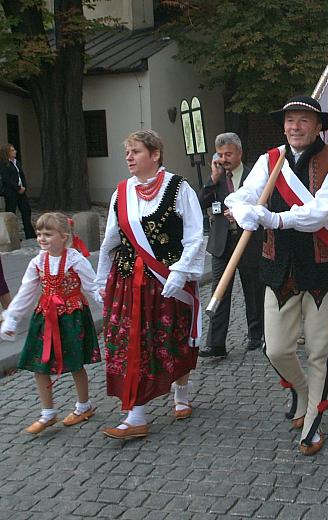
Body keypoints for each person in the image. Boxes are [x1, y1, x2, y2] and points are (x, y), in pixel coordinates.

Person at [225, 95, 328, 455]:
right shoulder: (270, 160)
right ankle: (300, 389)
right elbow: (244, 195)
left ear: (318, 126)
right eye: (290, 121)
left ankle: (313, 417)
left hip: (322, 268)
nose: (295, 127)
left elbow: (319, 214)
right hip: (278, 266)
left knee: (318, 350)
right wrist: (239, 208)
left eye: (303, 121)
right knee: (276, 348)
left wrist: (272, 219)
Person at [97, 129, 204, 440]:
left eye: (136, 152)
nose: (129, 158)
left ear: (155, 154)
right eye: (127, 153)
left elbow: (195, 236)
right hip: (128, 281)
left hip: (165, 280)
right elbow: (110, 241)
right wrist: (104, 282)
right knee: (131, 343)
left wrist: (181, 272)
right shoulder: (121, 193)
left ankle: (181, 391)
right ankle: (135, 414)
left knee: (173, 337)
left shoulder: (178, 188)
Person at [1, 213, 102, 434]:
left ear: (64, 236)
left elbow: (93, 286)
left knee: (76, 363)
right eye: (38, 234)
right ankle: (47, 413)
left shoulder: (76, 259)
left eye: (48, 234)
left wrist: (109, 307)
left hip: (72, 317)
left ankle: (83, 406)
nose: (42, 238)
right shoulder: (37, 261)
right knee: (40, 363)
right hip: (45, 317)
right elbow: (26, 292)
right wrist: (12, 318)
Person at [198, 133, 264, 358]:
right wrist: (212, 180)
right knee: (220, 292)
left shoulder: (253, 176)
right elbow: (200, 203)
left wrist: (243, 214)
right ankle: (216, 343)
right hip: (221, 244)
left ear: (239, 153)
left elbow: (265, 204)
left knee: (253, 290)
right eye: (220, 155)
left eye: (228, 154)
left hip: (248, 242)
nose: (224, 159)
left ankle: (256, 336)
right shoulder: (217, 178)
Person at [0, 144, 36, 239]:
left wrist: (24, 187)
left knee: (26, 210)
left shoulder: (16, 162)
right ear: (7, 153)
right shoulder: (4, 164)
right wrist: (17, 187)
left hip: (21, 191)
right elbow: (7, 179)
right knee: (11, 212)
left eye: (14, 150)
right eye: (12, 150)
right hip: (11, 192)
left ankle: (29, 233)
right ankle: (13, 236)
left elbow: (21, 176)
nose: (15, 151)